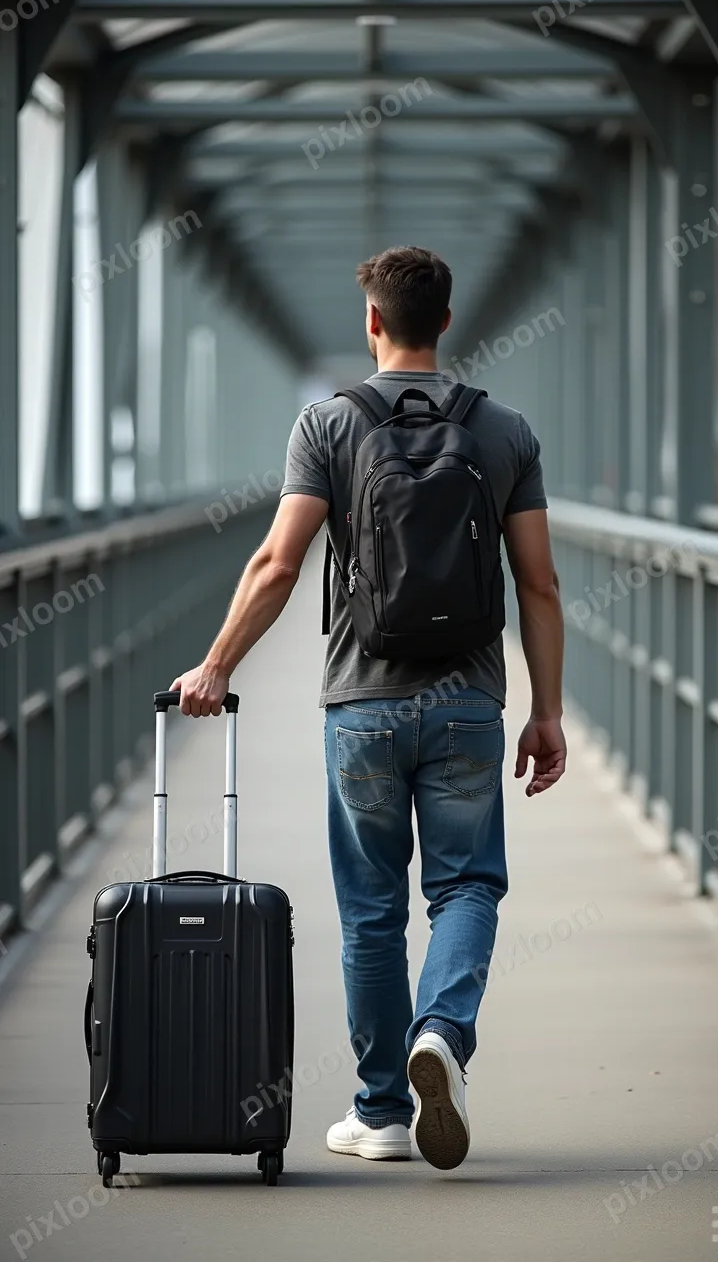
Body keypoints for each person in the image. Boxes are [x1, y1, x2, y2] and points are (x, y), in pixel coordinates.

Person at [171, 245, 566, 1171]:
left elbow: (278, 563)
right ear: (448, 321)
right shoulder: (504, 429)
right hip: (469, 699)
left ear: (373, 323)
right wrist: (546, 712)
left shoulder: (328, 426)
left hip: (363, 701)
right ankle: (443, 1034)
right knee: (468, 886)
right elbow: (539, 585)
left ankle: (383, 1110)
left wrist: (216, 664)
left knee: (373, 914)